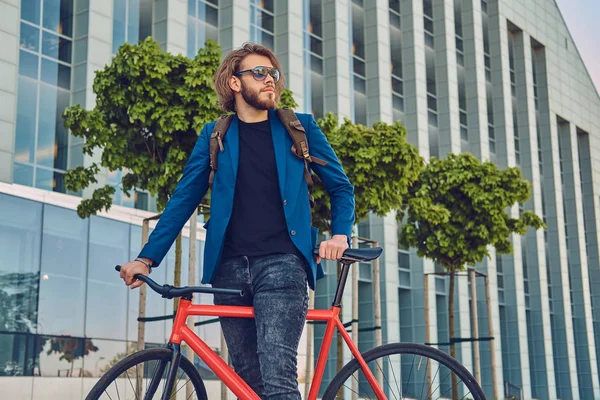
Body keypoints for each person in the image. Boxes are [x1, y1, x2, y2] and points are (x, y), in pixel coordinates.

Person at [119, 42, 355, 399]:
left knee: (278, 379)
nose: (270, 80)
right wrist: (146, 258)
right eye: (259, 73)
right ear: (234, 82)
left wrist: (340, 235)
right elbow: (183, 199)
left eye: (273, 73)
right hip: (228, 270)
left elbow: (341, 187)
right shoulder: (215, 135)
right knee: (247, 383)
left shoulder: (298, 127)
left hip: (283, 266)